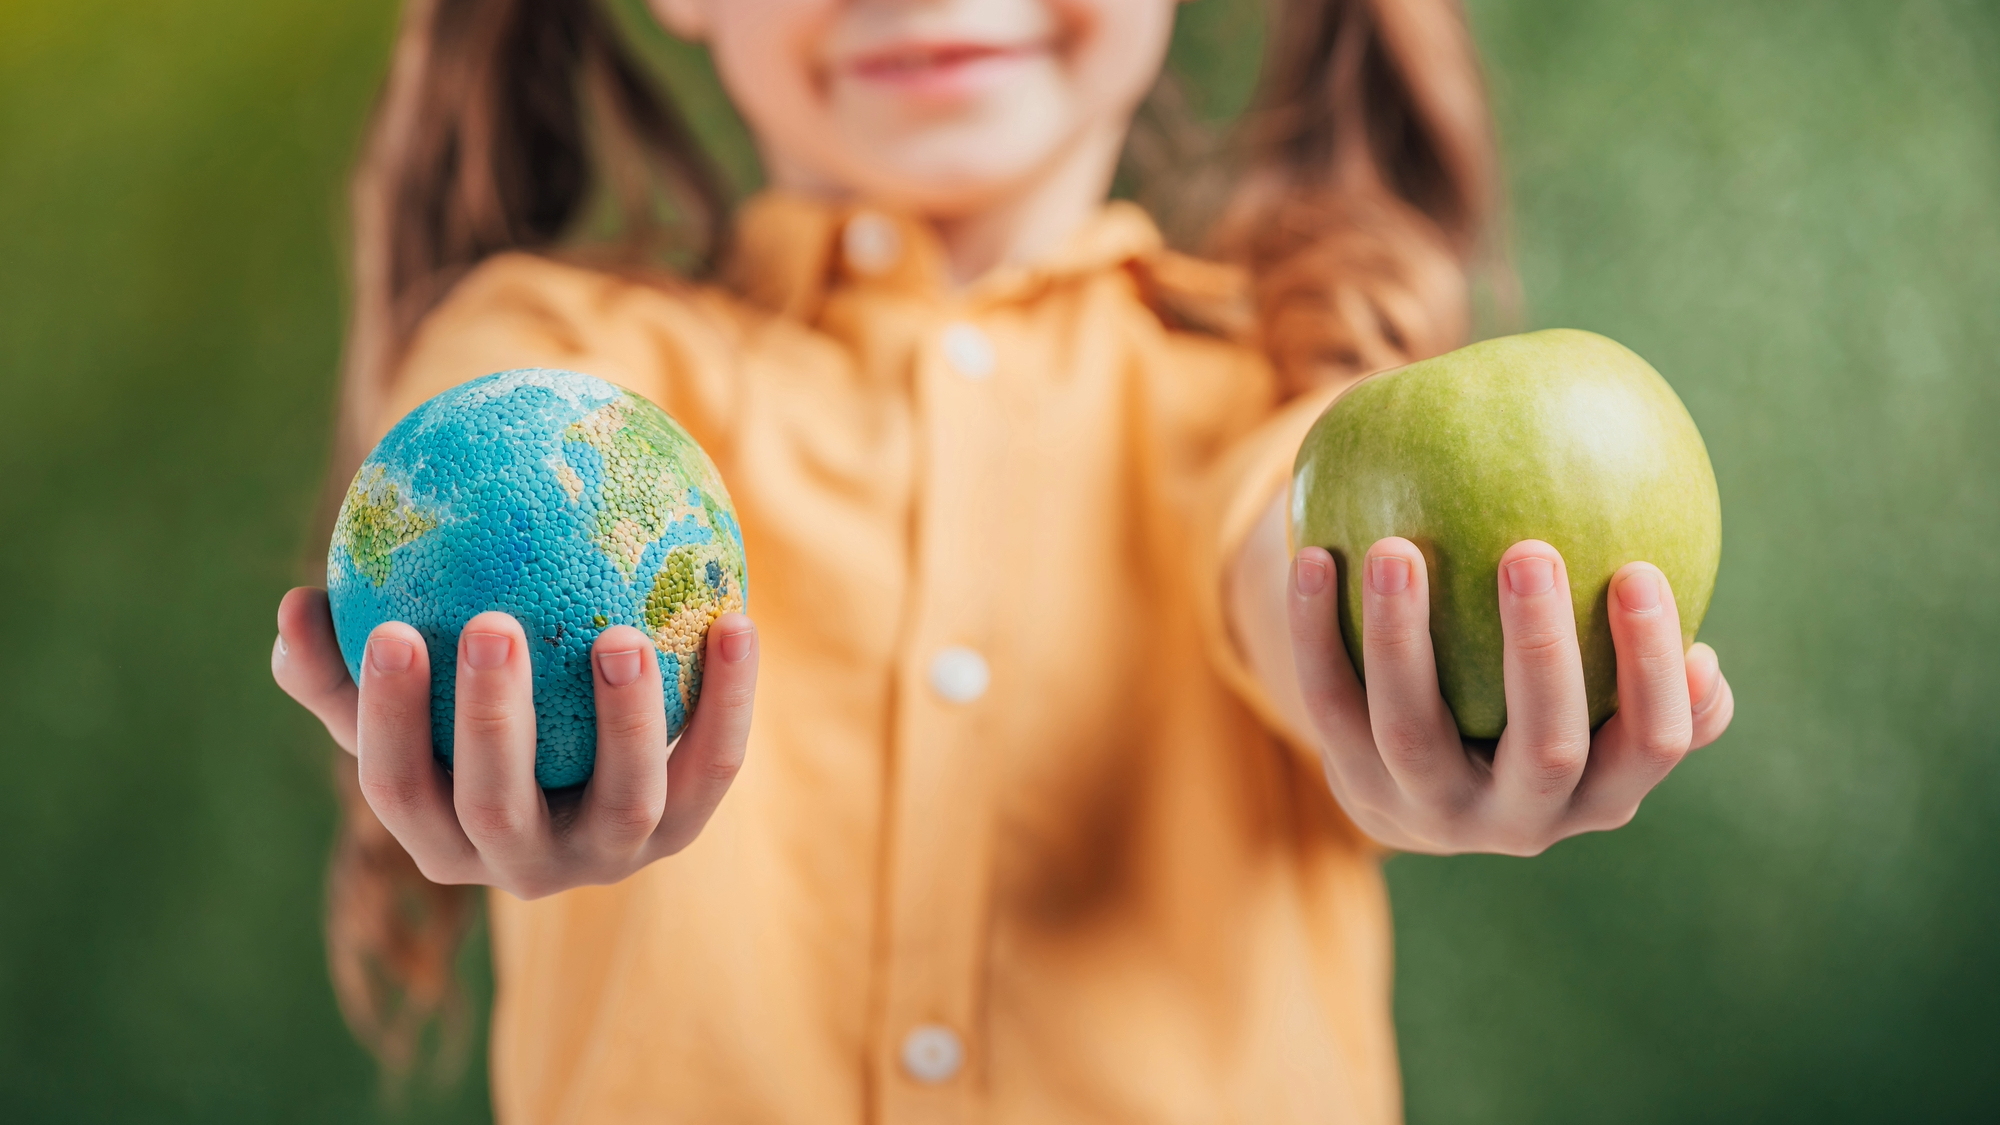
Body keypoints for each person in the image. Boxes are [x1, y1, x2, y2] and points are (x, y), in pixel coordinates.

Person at [270, 0, 1737, 1120]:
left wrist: (1396, 673)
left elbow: (1284, 547)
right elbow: (455, 481)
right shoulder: (567, 366)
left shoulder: (1273, 399)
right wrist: (489, 714)